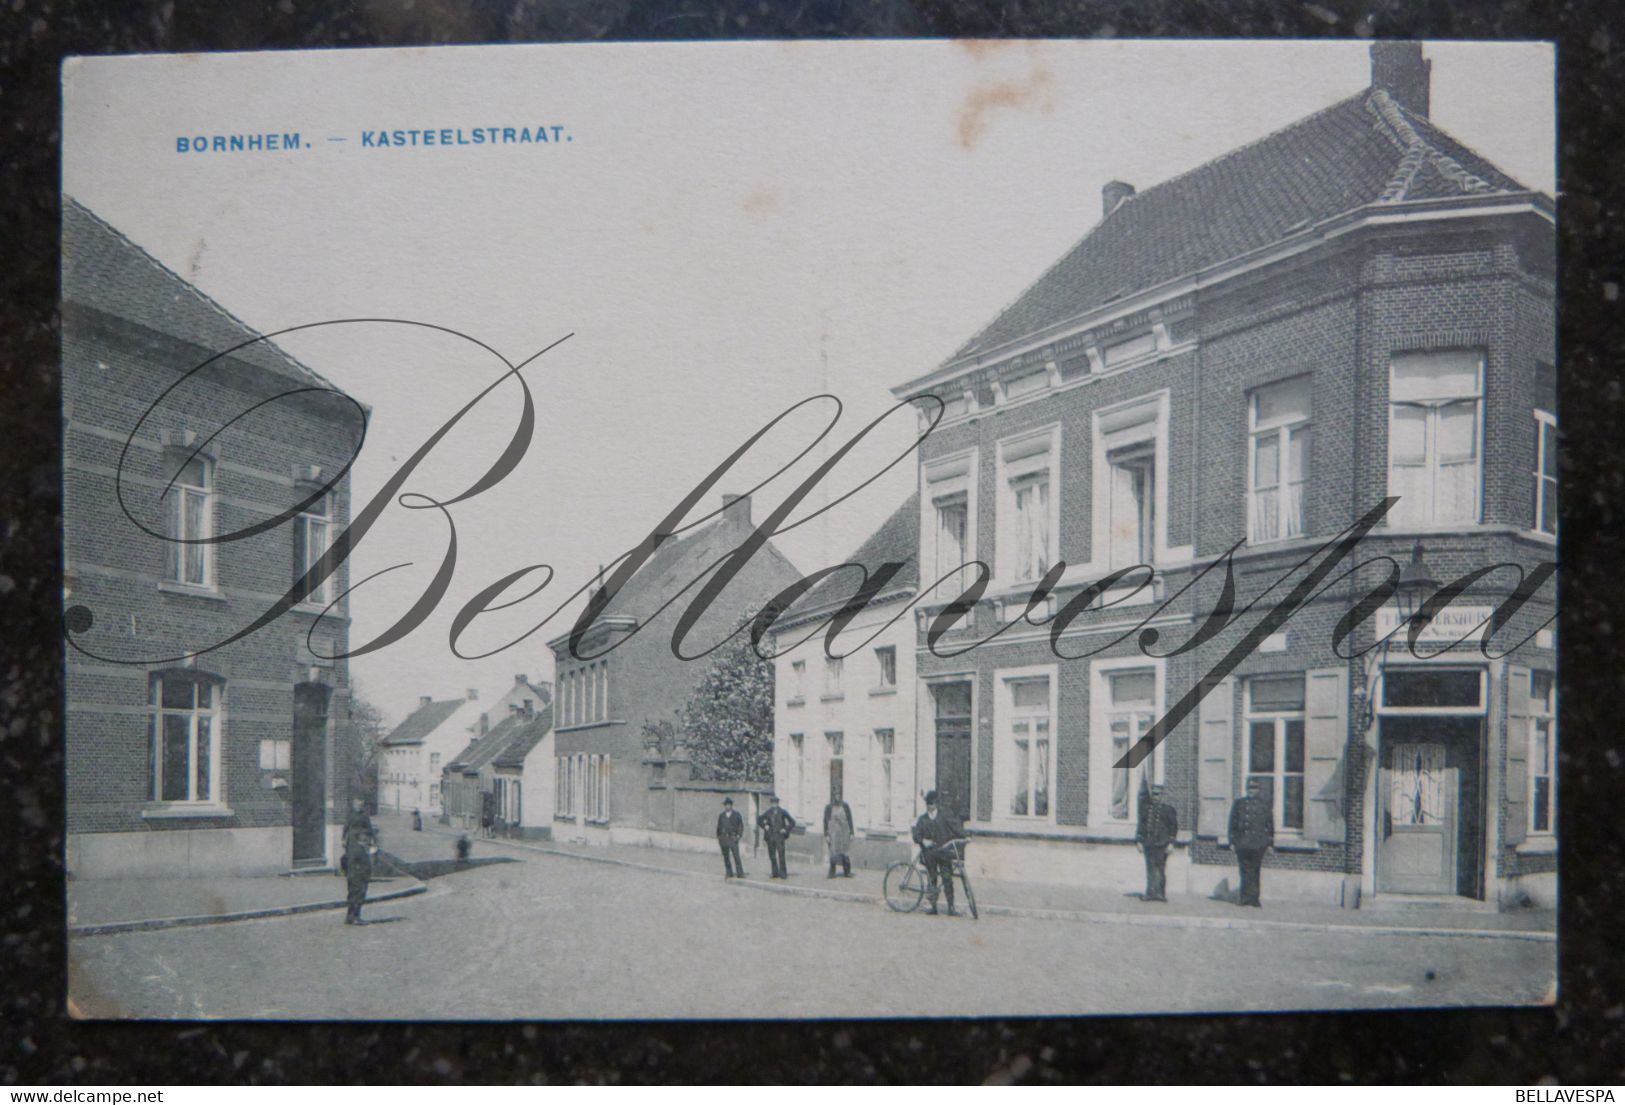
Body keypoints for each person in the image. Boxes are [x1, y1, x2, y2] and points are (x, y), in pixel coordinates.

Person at [911, 789, 964, 916]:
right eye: (928, 805)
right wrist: (923, 841)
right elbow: (916, 835)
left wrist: (965, 836)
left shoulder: (944, 816)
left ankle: (951, 907)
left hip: (943, 852)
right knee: (932, 879)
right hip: (929, 854)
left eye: (932, 805)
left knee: (947, 879)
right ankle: (933, 907)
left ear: (936, 804)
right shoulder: (922, 819)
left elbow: (955, 827)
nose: (930, 808)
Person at [1228, 777, 1275, 907]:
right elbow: (1232, 823)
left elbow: (1270, 825)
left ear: (1258, 790)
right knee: (1244, 870)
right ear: (1246, 789)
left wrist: (1270, 843)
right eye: (1249, 788)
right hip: (1242, 843)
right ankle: (1244, 898)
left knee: (1255, 870)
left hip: (1258, 843)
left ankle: (1254, 898)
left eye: (1254, 788)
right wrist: (1231, 841)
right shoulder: (1239, 804)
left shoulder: (1264, 804)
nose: (1251, 791)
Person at [1135, 782, 1179, 902]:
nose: (1155, 797)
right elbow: (1141, 826)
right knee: (1149, 868)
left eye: (1158, 794)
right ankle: (1150, 893)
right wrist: (1139, 841)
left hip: (1162, 844)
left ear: (1162, 795)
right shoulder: (1146, 809)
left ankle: (1160, 894)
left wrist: (1171, 843)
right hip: (1148, 844)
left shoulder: (1168, 810)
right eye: (1154, 794)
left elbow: (1173, 828)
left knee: (1160, 868)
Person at [342, 797, 376, 925]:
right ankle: (354, 916)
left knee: (352, 892)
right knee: (358, 892)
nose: (359, 806)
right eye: (357, 804)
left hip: (352, 872)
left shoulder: (363, 818)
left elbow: (370, 830)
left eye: (361, 804)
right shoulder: (357, 843)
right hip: (357, 873)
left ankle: (350, 916)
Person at [757, 794, 796, 879]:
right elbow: (759, 819)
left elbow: (792, 822)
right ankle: (775, 873)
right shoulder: (768, 812)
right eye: (773, 803)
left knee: (781, 855)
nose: (774, 804)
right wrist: (765, 826)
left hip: (779, 836)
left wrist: (785, 829)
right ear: (771, 804)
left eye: (776, 803)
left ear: (778, 803)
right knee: (772, 855)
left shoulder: (783, 812)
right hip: (770, 836)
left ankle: (783, 873)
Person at [823, 793, 855, 878]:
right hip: (833, 834)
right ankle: (832, 872)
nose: (837, 797)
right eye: (836, 795)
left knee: (845, 852)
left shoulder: (845, 806)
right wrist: (826, 834)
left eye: (839, 795)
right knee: (833, 852)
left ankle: (847, 871)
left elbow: (850, 819)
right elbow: (825, 822)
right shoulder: (829, 807)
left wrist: (852, 833)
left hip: (844, 833)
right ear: (833, 797)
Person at [716, 796, 747, 879]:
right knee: (726, 857)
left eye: (729, 805)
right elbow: (718, 827)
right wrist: (719, 838)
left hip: (733, 838)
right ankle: (729, 872)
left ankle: (740, 873)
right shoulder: (721, 815)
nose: (727, 806)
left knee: (736, 856)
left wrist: (738, 836)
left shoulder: (736, 815)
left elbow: (741, 826)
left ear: (731, 806)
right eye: (726, 805)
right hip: (724, 839)